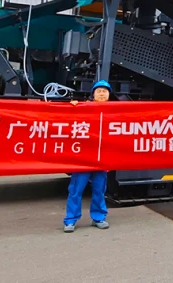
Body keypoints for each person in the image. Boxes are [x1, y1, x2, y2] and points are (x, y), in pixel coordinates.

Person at [64, 79, 113, 232]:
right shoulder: (83, 108)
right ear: (93, 94)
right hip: (83, 157)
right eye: (99, 91)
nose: (102, 94)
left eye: (105, 91)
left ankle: (99, 217)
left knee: (99, 190)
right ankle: (70, 220)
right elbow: (68, 119)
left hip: (101, 158)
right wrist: (72, 107)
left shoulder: (114, 111)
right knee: (76, 190)